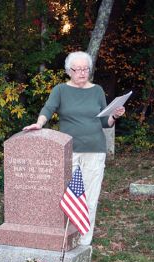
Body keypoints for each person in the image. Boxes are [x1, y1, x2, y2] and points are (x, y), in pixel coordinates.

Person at [23, 51, 125, 246]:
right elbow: (48, 108)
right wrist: (39, 123)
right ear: (69, 71)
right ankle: (63, 235)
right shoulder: (60, 90)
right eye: (78, 69)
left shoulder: (97, 90)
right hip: (68, 151)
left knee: (90, 196)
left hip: (94, 150)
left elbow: (105, 121)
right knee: (66, 194)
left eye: (86, 69)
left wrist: (115, 116)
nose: (82, 73)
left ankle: (84, 240)